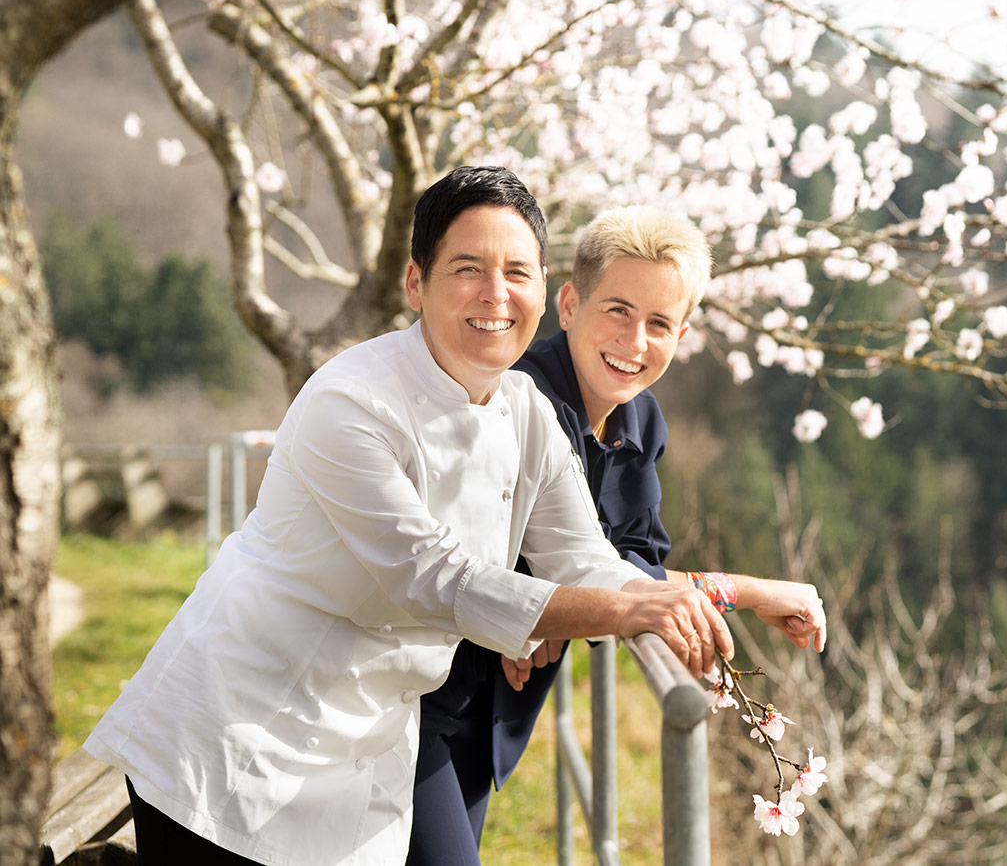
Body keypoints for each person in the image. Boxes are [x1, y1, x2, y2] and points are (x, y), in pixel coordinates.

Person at [83, 168, 732, 866]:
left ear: (545, 292)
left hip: (365, 740)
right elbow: (434, 579)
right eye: (467, 268)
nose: (496, 294)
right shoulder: (350, 401)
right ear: (415, 283)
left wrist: (656, 598)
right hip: (234, 733)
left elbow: (581, 552)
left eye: (518, 271)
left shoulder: (527, 410)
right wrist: (620, 611)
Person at [407, 206, 826, 866]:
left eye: (659, 322)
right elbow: (486, 555)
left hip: (488, 718)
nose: (635, 340)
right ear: (569, 303)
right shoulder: (515, 398)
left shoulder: (641, 422)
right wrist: (749, 591)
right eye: (618, 310)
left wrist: (572, 601)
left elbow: (630, 568)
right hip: (419, 695)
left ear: (682, 334)